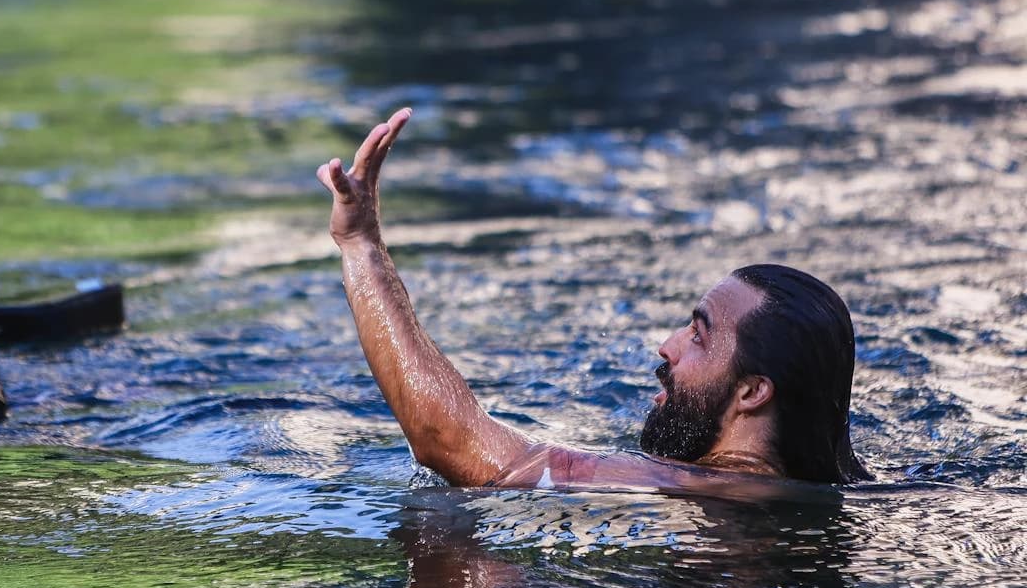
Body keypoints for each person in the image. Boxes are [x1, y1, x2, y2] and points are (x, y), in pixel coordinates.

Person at [316, 109, 871, 492]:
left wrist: (361, 243)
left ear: (753, 392)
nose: (668, 345)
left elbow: (450, 441)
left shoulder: (701, 492)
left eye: (699, 335)